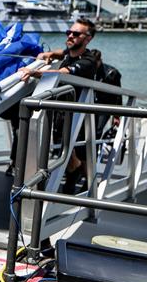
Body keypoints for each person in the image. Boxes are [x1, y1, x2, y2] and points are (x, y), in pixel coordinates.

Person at [18, 18, 100, 192]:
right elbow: (62, 53)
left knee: (77, 152)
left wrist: (35, 72)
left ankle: (87, 183)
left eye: (76, 34)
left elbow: (62, 72)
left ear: (88, 39)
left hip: (80, 114)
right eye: (68, 32)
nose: (70, 36)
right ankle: (76, 173)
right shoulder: (70, 53)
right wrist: (50, 54)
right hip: (62, 111)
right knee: (66, 151)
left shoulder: (88, 61)